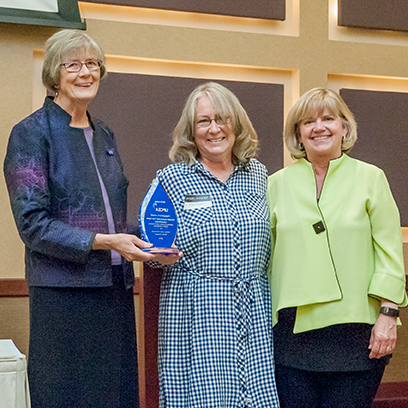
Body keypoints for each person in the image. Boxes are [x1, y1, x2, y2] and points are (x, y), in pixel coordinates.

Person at [3, 29, 180, 408]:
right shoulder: (30, 134)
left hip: (114, 291)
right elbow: (32, 224)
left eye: (92, 64)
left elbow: (110, 221)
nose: (85, 73)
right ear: (54, 73)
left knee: (115, 396)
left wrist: (150, 243)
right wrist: (104, 242)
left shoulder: (105, 135)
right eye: (73, 65)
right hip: (63, 295)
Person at [266, 87, 407, 408]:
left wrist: (388, 314)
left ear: (344, 128)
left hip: (358, 333)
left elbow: (389, 253)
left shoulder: (371, 177)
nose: (319, 127)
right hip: (292, 334)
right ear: (297, 135)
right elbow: (263, 257)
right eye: (307, 122)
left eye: (328, 118)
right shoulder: (274, 184)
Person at [152, 81, 280, 407]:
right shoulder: (171, 179)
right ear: (191, 131)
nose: (214, 129)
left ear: (236, 124)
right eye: (203, 121)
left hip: (255, 310)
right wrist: (158, 255)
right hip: (198, 310)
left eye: (221, 118)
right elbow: (152, 245)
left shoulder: (259, 175)